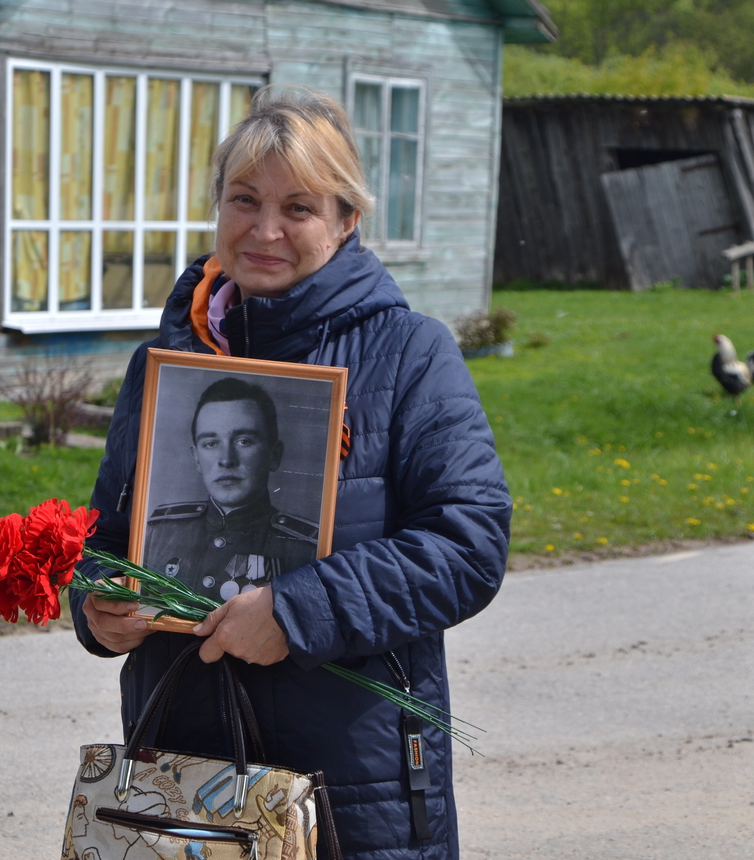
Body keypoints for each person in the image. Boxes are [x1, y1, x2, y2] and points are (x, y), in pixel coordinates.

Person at [71, 86, 511, 860]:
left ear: (347, 222)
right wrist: (99, 605)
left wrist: (298, 611)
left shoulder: (410, 355)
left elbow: (468, 545)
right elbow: (107, 536)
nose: (265, 230)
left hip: (354, 794)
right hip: (183, 786)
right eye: (244, 199)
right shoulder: (165, 365)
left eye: (300, 208)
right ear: (216, 208)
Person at [143, 376, 319, 601]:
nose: (226, 460)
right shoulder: (161, 532)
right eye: (211, 443)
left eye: (244, 441)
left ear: (274, 455)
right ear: (196, 458)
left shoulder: (305, 547)